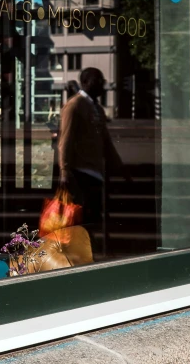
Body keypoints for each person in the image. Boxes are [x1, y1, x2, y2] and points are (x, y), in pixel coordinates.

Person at [58, 68, 126, 255]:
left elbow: (105, 141)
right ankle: (84, 252)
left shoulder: (96, 108)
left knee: (93, 216)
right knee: (85, 216)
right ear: (86, 82)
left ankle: (88, 250)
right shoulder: (74, 106)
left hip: (95, 172)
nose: (102, 84)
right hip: (81, 172)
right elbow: (66, 140)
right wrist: (64, 171)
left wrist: (118, 167)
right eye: (98, 80)